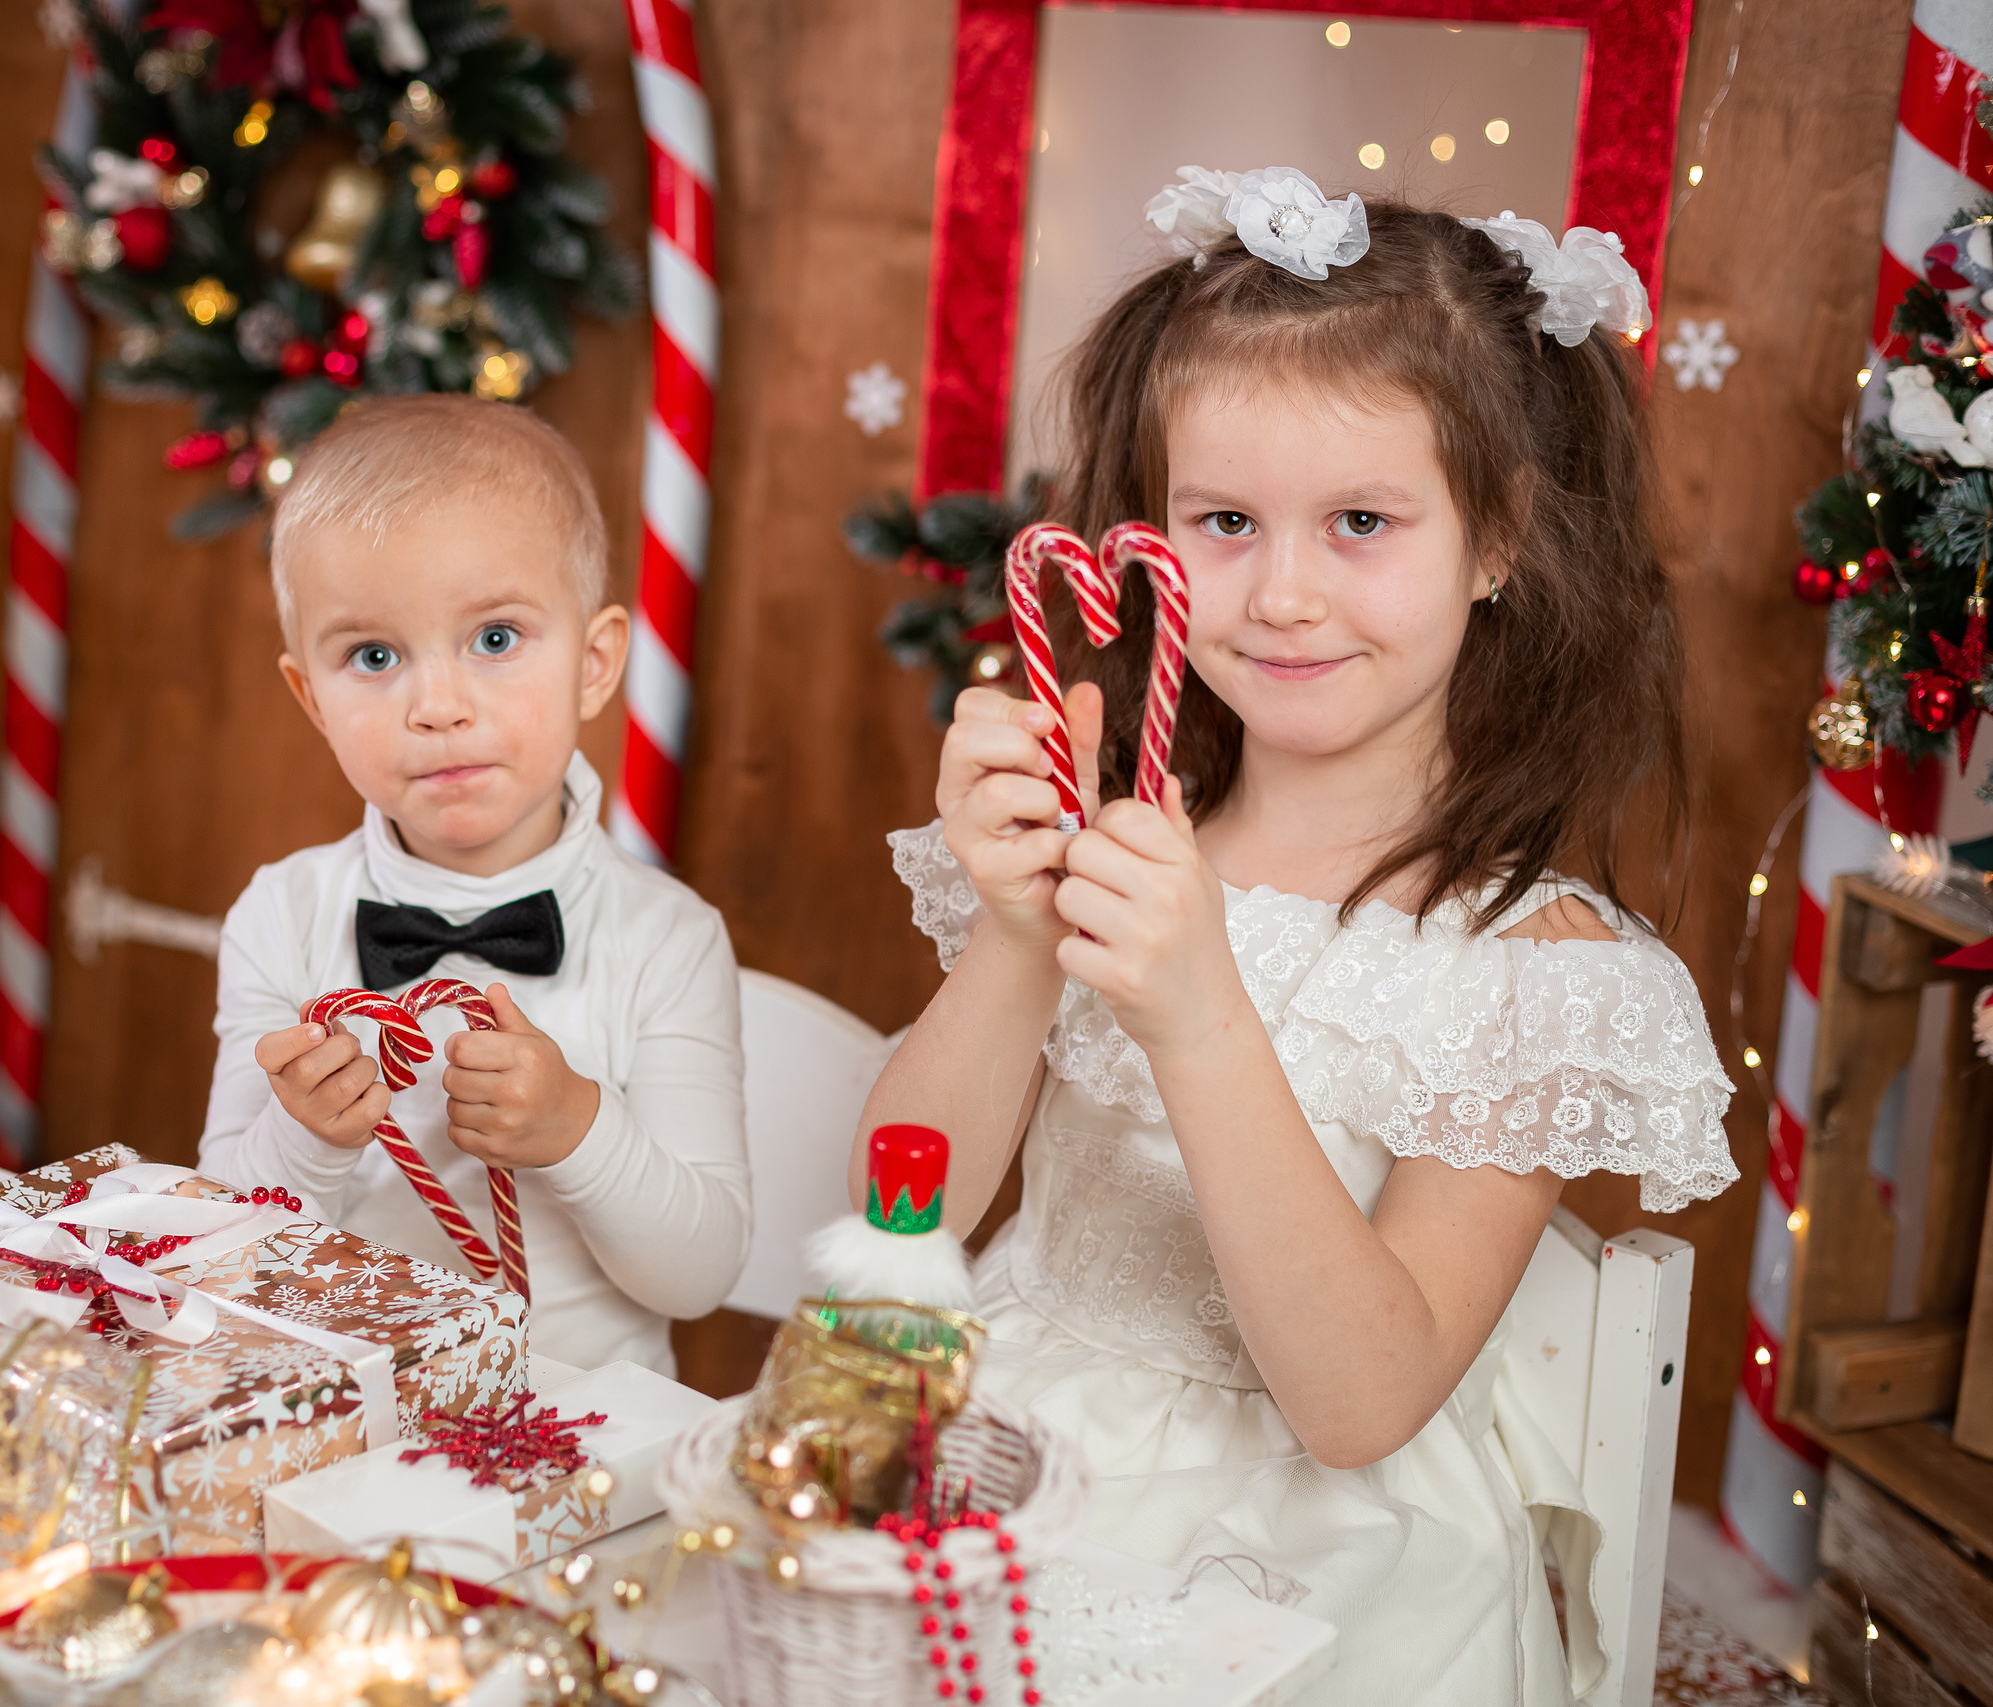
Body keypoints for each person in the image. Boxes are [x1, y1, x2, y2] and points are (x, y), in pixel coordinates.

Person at [859, 169, 1736, 1704]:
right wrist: (1013, 936)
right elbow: (896, 1213)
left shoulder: (1544, 973)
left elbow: (1358, 1399)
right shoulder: (1121, 828)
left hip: (1316, 1556)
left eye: (1361, 523)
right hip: (1006, 1447)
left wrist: (1199, 1016)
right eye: (1224, 520)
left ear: (1497, 539)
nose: (1279, 593)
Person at [200, 395, 750, 1376]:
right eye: (373, 656)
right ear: (310, 699)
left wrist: (579, 1131)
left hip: (581, 1434)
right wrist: (305, 1140)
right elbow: (225, 1254)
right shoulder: (281, 916)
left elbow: (697, 1275)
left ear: (593, 665)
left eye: (494, 639)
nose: (438, 707)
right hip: (336, 1413)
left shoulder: (668, 938)